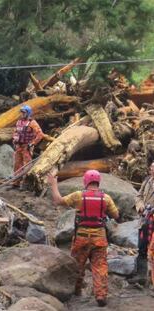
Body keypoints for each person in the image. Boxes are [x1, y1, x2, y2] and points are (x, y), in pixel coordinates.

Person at [47, 170, 119, 307]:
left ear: (85, 181)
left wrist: (54, 185)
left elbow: (58, 201)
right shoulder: (106, 198)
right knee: (100, 266)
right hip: (99, 239)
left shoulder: (78, 196)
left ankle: (76, 291)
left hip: (81, 238)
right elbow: (116, 215)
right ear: (98, 182)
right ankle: (101, 295)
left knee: (77, 266)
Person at [129, 161, 154, 285]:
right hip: (145, 220)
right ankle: (141, 276)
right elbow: (138, 196)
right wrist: (140, 206)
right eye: (152, 168)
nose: (152, 170)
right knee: (142, 247)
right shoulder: (147, 181)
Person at [12, 105, 43, 186]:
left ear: (28, 113)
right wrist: (14, 140)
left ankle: (27, 183)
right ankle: (16, 182)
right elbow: (16, 132)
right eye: (21, 112)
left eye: (24, 112)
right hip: (19, 146)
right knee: (17, 164)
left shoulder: (32, 123)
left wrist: (32, 143)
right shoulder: (19, 122)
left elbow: (40, 134)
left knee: (27, 165)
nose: (22, 114)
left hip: (26, 147)